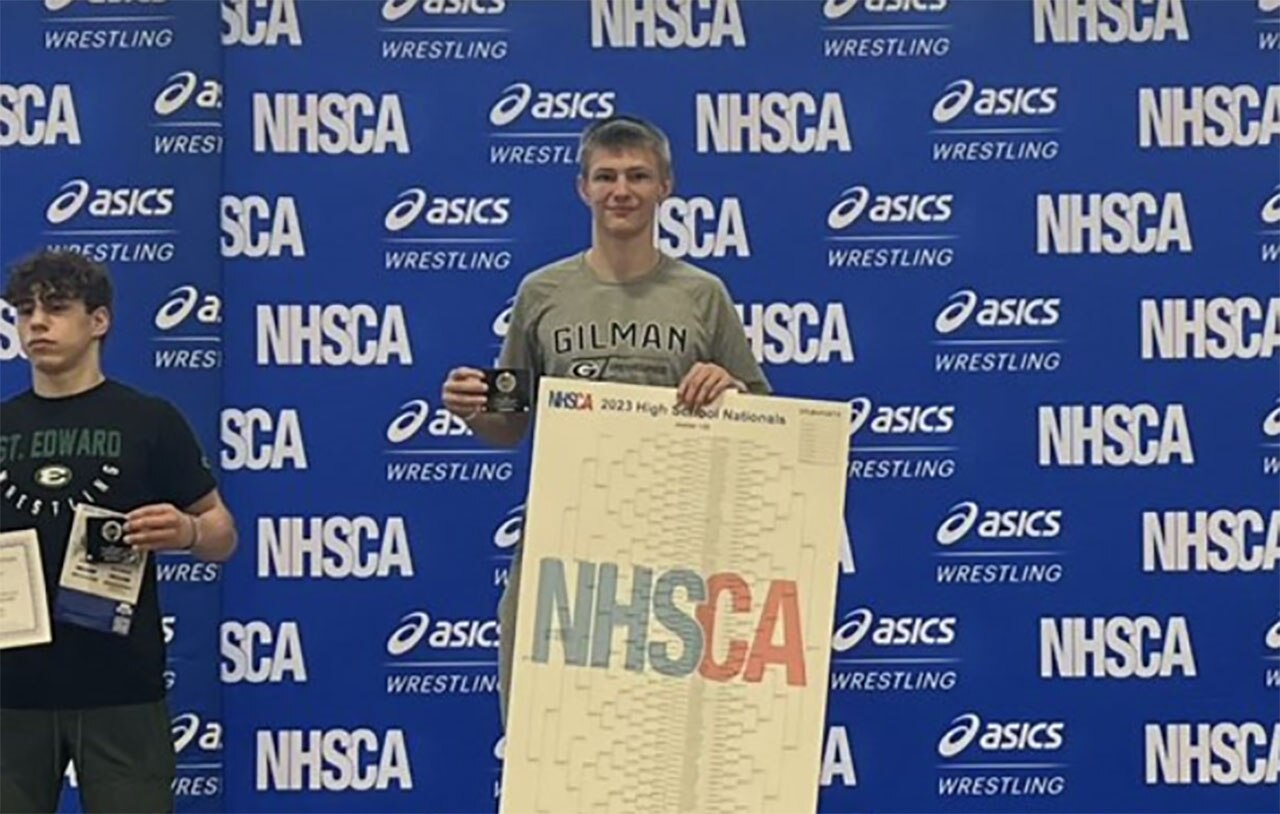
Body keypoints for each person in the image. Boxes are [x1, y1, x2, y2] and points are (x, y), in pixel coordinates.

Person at [439, 115, 771, 727]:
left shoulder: (703, 295)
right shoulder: (542, 293)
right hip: (565, 551)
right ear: (583, 188)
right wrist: (474, 410)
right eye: (607, 176)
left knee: (663, 741)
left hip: (675, 556)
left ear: (665, 187)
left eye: (638, 176)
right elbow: (510, 422)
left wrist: (728, 388)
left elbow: (761, 429)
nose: (622, 190)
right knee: (554, 733)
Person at [0, 250, 238, 814]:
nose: (36, 323)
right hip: (9, 694)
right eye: (24, 311)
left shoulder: (149, 420)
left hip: (122, 689)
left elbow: (222, 533)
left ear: (98, 321)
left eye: (55, 309)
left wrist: (184, 530)